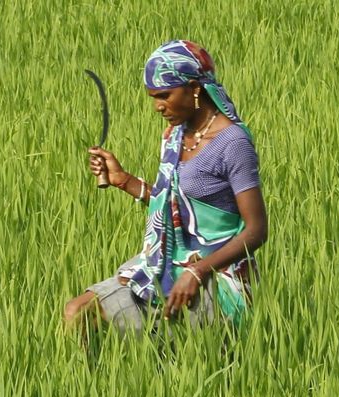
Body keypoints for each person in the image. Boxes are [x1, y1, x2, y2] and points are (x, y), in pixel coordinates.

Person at [64, 40, 267, 334]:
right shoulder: (174, 135)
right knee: (78, 312)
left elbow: (256, 230)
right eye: (153, 97)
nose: (158, 106)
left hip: (217, 274)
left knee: (176, 349)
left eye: (164, 95)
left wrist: (197, 272)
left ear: (194, 88)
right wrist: (124, 180)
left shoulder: (232, 143)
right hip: (165, 262)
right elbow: (175, 207)